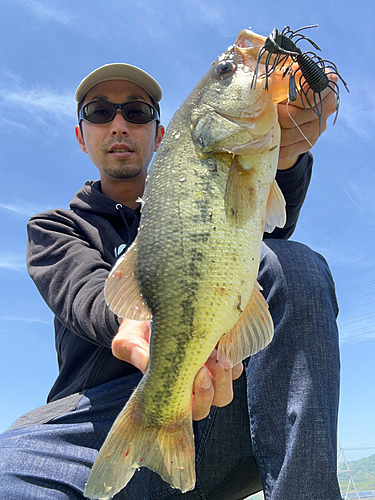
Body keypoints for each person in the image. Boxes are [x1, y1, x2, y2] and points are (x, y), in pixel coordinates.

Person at [0, 62, 341, 500]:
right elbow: (86, 294)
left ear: (160, 135)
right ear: (81, 136)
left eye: (137, 112)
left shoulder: (211, 181)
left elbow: (268, 226)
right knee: (9, 477)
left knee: (294, 264)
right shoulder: (54, 229)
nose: (119, 124)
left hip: (220, 393)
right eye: (101, 112)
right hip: (99, 418)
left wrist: (287, 153)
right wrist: (137, 327)